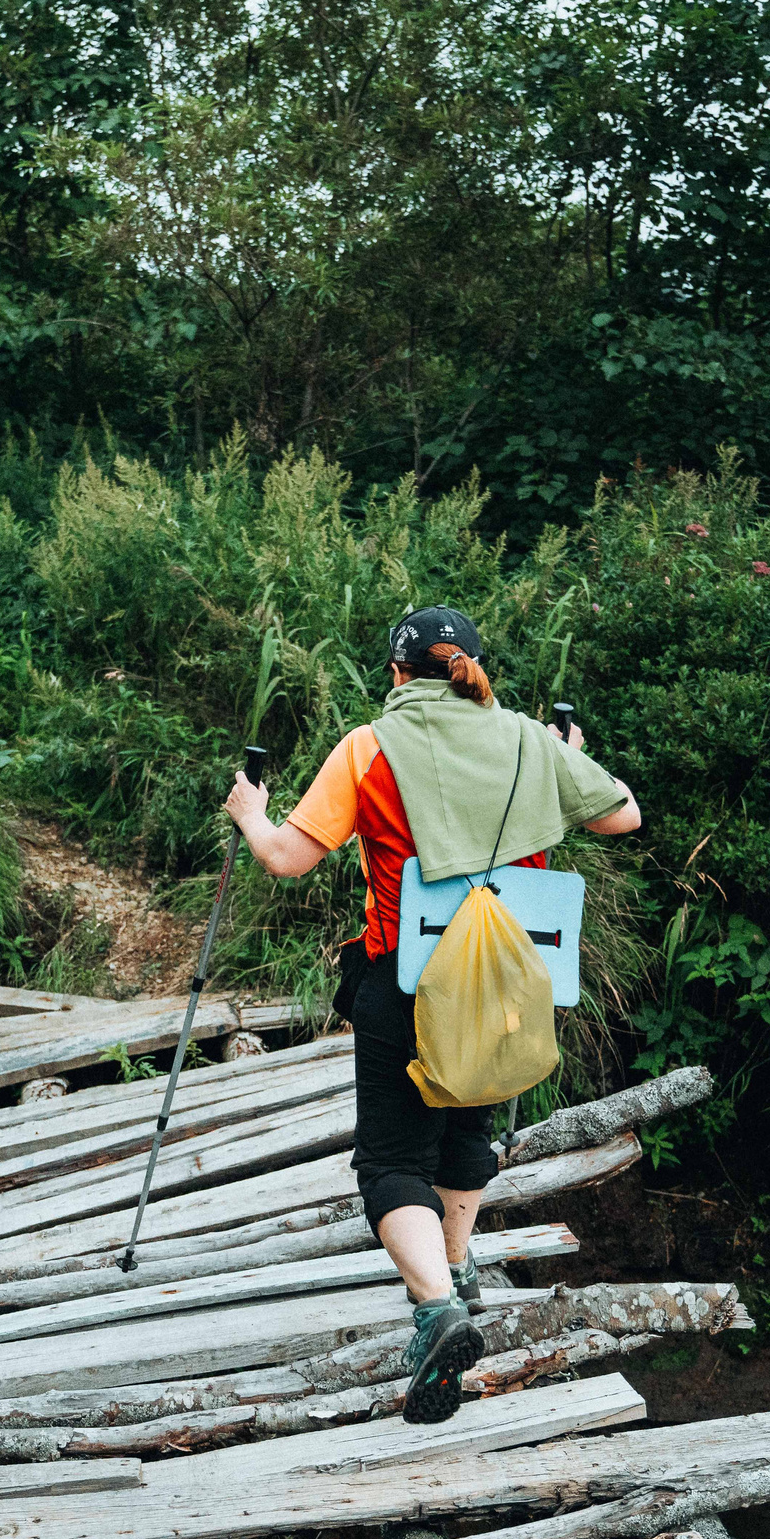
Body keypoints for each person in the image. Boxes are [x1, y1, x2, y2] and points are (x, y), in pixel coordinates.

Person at [224, 607, 641, 1423]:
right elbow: (622, 813)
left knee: (388, 1163)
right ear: (473, 671)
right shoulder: (528, 739)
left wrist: (249, 811)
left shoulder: (369, 746)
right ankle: (457, 1265)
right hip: (507, 987)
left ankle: (438, 1305)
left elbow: (285, 858)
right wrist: (566, 759)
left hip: (407, 983)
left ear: (396, 674)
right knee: (463, 1131)